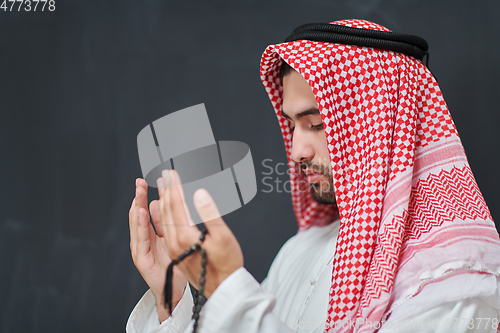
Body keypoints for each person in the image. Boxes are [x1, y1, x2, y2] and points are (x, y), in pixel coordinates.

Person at [127, 19, 500, 333]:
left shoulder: (453, 279)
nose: (296, 151)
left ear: (381, 127)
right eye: (292, 125)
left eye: (318, 124)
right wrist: (173, 296)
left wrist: (228, 287)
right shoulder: (299, 252)